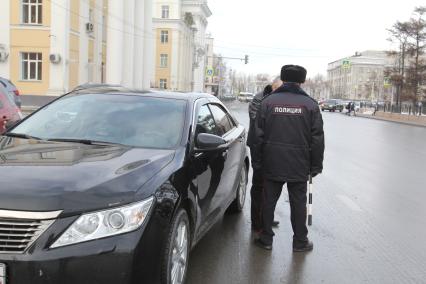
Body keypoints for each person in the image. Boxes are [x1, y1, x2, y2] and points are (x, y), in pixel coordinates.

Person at [252, 65, 325, 252]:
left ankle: (266, 239)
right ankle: (300, 242)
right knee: (299, 204)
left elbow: (256, 135)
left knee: (268, 202)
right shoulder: (310, 105)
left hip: (271, 162)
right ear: (302, 81)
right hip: (299, 164)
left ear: (283, 79)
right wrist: (315, 166)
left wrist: (257, 162)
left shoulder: (268, 102)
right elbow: (317, 139)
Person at [247, 77, 282, 231]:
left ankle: (267, 218)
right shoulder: (259, 98)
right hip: (258, 147)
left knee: (271, 187)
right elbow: (257, 122)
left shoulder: (277, 99)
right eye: (278, 90)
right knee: (259, 185)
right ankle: (257, 222)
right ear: (273, 87)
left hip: (272, 148)